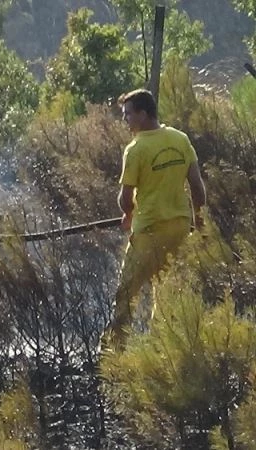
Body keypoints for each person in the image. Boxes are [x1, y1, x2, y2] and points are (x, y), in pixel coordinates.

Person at [102, 88, 206, 351]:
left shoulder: (136, 149)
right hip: (181, 228)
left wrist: (128, 214)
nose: (125, 120)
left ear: (143, 113)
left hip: (148, 231)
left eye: (128, 114)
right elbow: (197, 187)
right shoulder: (180, 139)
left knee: (126, 292)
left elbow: (125, 198)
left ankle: (116, 352)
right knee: (167, 289)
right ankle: (162, 350)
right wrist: (200, 223)